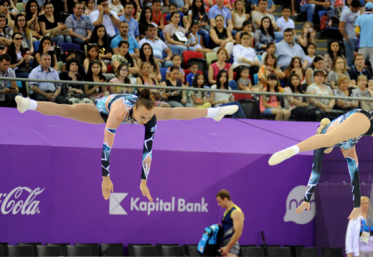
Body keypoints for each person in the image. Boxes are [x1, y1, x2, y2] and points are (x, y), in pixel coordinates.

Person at [16, 88, 238, 199]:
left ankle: (215, 112)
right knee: (69, 110)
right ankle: (29, 103)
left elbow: (147, 150)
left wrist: (143, 181)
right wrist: (105, 177)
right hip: (103, 109)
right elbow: (106, 146)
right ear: (135, 110)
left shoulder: (149, 115)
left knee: (172, 112)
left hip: (123, 111)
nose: (144, 122)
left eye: (147, 118)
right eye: (142, 118)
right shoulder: (119, 112)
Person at [215, 189, 244, 257]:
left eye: (219, 201)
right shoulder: (227, 211)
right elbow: (228, 229)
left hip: (232, 248)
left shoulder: (236, 212)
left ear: (225, 199)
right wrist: (219, 228)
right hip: (224, 246)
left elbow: (238, 233)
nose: (218, 204)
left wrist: (227, 247)